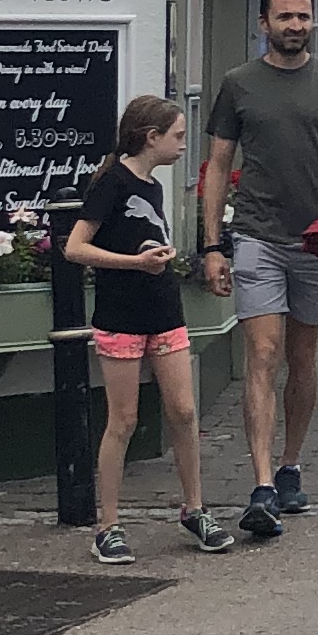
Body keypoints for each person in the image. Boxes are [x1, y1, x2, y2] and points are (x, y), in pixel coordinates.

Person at [197, 0, 318, 541]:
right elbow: (218, 167)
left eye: (303, 16)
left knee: (303, 356)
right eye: (285, 16)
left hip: (315, 240)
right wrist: (212, 245)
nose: (295, 25)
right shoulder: (238, 84)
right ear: (263, 23)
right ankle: (262, 485)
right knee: (263, 354)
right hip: (256, 236)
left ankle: (291, 464)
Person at [65, 96, 231, 560]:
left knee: (184, 411)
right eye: (177, 136)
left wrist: (158, 261)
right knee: (124, 420)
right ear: (150, 137)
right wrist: (134, 263)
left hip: (164, 309)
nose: (183, 145)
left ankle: (195, 508)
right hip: (121, 314)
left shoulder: (152, 185)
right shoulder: (111, 183)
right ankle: (108, 524)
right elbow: (75, 248)